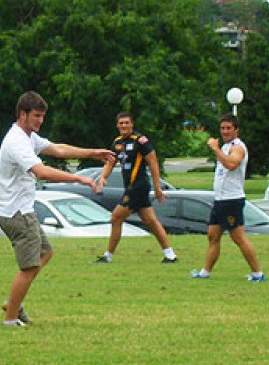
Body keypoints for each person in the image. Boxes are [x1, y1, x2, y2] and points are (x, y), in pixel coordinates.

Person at [0, 91, 115, 327]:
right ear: (23, 114)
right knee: (29, 265)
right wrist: (79, 179)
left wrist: (93, 153)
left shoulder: (28, 137)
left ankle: (13, 302)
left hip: (21, 209)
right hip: (16, 211)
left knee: (45, 253)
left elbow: (59, 149)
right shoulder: (17, 142)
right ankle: (10, 318)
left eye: (42, 116)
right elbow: (42, 172)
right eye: (37, 116)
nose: (41, 121)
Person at [191, 113, 266, 282]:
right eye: (222, 128)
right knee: (213, 235)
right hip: (220, 200)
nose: (224, 131)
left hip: (231, 200)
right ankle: (205, 272)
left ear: (236, 130)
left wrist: (215, 149)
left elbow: (232, 164)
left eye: (228, 128)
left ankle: (258, 274)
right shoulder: (225, 147)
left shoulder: (237, 147)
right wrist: (219, 149)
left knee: (238, 238)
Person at [95, 112, 177, 264]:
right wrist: (103, 177)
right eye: (121, 123)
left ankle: (108, 256)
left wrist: (157, 186)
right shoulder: (117, 142)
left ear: (132, 124)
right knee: (151, 221)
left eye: (127, 123)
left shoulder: (140, 141)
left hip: (138, 186)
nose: (124, 126)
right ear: (117, 125)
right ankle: (170, 255)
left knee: (116, 217)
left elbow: (153, 162)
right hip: (130, 187)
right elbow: (110, 162)